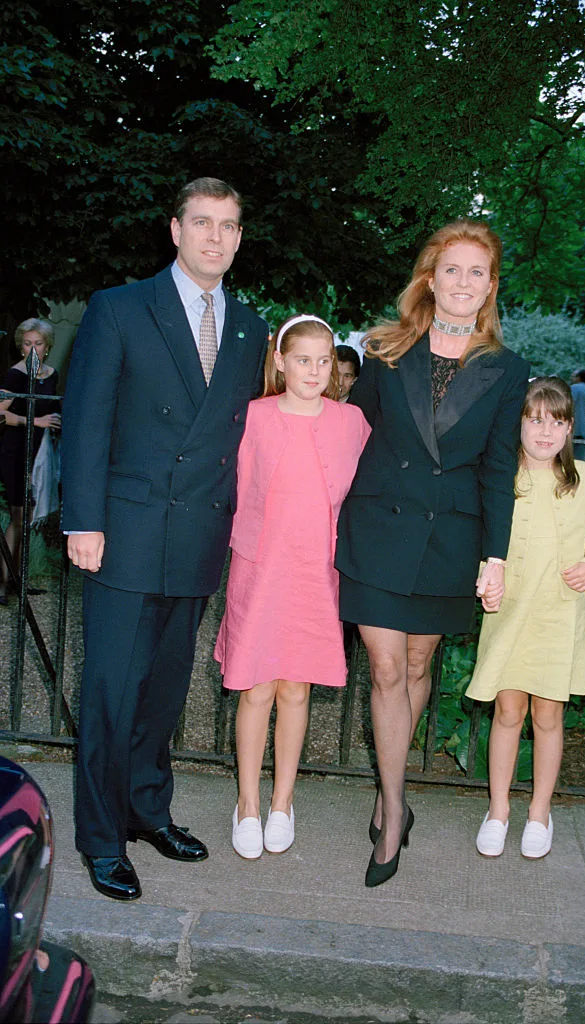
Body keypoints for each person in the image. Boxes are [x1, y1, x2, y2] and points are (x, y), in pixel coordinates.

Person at [61, 177, 268, 901]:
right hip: (124, 532)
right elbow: (87, 420)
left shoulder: (249, 326)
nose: (216, 237)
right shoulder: (119, 308)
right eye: (202, 222)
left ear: (240, 238)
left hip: (199, 536)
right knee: (112, 692)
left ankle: (148, 811)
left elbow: (243, 435)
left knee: (164, 692)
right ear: (174, 229)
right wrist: (83, 520)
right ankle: (100, 837)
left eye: (229, 225)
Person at [335, 219, 530, 887]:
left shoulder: (507, 370)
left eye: (478, 272)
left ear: (489, 287)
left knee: (418, 664)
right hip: (378, 532)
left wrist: (495, 557)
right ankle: (393, 808)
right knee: (387, 670)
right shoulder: (386, 351)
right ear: (431, 277)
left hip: (451, 538)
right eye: (453, 269)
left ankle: (392, 786)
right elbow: (348, 436)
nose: (464, 282)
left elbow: (499, 468)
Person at [215, 314, 370, 859]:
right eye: (302, 359)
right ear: (280, 361)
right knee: (256, 686)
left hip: (316, 571)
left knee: (296, 688)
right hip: (260, 567)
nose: (314, 370)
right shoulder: (253, 416)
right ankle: (248, 804)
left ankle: (283, 802)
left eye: (324, 361)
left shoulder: (350, 423)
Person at [467, 377, 585, 859]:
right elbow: (479, 537)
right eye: (535, 420)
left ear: (570, 428)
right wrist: (485, 578)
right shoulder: (499, 478)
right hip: (509, 609)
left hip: (558, 611)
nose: (545, 431)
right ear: (519, 425)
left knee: (548, 715)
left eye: (556, 422)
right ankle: (498, 811)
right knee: (508, 712)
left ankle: (539, 812)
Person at [0, 319, 61, 605]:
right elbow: (1, 414)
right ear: (20, 346)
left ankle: (17, 580)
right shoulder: (15, 376)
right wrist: (36, 422)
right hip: (16, 451)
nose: (33, 348)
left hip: (41, 453)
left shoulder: (51, 374)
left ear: (47, 347)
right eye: (27, 343)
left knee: (28, 519)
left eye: (38, 343)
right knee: (18, 516)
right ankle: (2, 582)